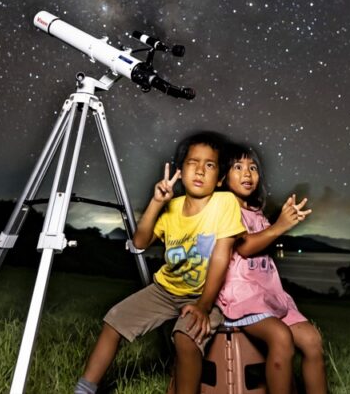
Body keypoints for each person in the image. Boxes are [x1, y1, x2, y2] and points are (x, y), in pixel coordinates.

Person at [75, 131, 246, 394]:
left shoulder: (224, 203)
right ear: (181, 170)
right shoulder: (172, 207)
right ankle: (85, 389)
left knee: (185, 338)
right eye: (193, 162)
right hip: (164, 290)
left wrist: (203, 305)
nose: (200, 170)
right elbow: (140, 242)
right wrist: (156, 202)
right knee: (114, 320)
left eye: (209, 165)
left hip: (205, 294)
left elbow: (221, 256)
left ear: (220, 178)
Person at [216, 144, 328, 394]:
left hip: (271, 298)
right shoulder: (222, 208)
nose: (247, 173)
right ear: (222, 177)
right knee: (281, 337)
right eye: (238, 167)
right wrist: (280, 226)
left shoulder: (256, 213)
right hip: (242, 298)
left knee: (312, 340)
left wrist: (278, 225)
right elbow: (244, 247)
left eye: (253, 168)